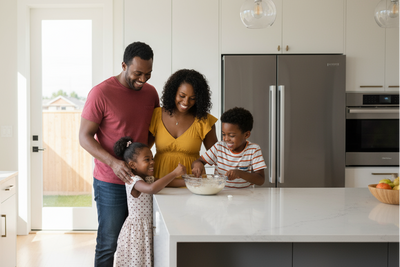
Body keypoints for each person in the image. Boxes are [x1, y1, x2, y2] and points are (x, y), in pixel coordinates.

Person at [79, 41, 159, 266]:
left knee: (139, 240)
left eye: (148, 74)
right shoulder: (100, 93)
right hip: (109, 182)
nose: (143, 79)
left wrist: (143, 159)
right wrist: (114, 163)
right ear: (123, 65)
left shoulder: (151, 94)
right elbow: (84, 137)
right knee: (109, 243)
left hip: (140, 181)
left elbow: (151, 130)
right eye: (138, 73)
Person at [112, 137, 186, 267]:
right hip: (137, 232)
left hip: (146, 230)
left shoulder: (148, 178)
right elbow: (151, 189)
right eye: (147, 159)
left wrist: (190, 181)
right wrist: (174, 173)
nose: (152, 162)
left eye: (152, 158)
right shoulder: (133, 180)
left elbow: (167, 182)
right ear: (132, 165)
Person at [149, 69, 218, 187]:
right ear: (173, 92)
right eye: (182, 95)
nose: (186, 102)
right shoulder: (156, 115)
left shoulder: (204, 121)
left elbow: (217, 154)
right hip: (159, 181)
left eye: (193, 98)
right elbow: (142, 149)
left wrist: (200, 162)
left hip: (192, 184)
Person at [192, 107, 266, 188]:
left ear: (246, 135)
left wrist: (240, 173)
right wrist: (198, 165)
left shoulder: (253, 150)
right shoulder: (219, 147)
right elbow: (200, 161)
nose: (226, 139)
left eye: (231, 135)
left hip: (245, 196)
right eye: (224, 134)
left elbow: (260, 180)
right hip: (220, 194)